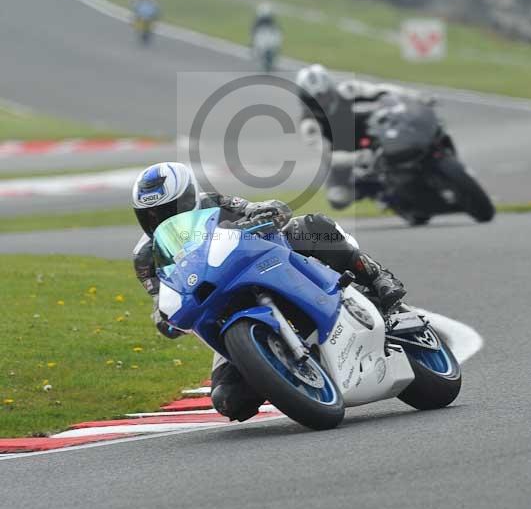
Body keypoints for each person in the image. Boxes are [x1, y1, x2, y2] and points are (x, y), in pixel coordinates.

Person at [132, 162, 406, 422]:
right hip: (221, 308)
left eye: (169, 209)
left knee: (310, 227)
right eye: (150, 214)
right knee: (227, 400)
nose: (159, 218)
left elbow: (256, 209)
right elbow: (161, 297)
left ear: (189, 197)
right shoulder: (146, 256)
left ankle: (377, 276)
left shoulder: (213, 202)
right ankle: (278, 370)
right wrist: (163, 317)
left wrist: (266, 213)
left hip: (261, 264)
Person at [295, 64, 423, 209]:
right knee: (338, 198)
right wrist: (358, 157)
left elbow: (381, 90)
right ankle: (377, 193)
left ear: (331, 88)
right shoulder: (308, 124)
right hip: (343, 154)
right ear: (306, 98)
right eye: (315, 98)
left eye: (325, 95)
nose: (322, 101)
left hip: (368, 131)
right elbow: (327, 155)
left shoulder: (347, 90)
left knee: (387, 118)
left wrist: (416, 97)